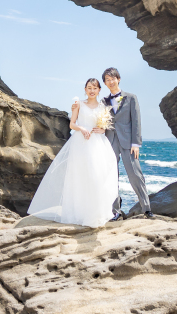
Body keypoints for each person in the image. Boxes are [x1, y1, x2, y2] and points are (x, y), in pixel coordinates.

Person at [27, 78, 119, 228]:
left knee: (97, 176)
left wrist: (102, 129)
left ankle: (95, 213)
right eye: (89, 88)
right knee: (80, 177)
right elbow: (72, 124)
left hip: (97, 143)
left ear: (99, 90)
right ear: (85, 89)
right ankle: (79, 213)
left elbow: (103, 125)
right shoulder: (79, 104)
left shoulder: (103, 106)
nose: (91, 90)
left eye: (94, 88)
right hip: (81, 144)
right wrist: (82, 128)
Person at [75, 67, 153, 221]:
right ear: (104, 83)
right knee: (111, 176)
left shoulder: (131, 98)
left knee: (135, 174)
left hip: (128, 142)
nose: (110, 82)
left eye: (113, 79)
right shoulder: (103, 101)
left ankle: (147, 208)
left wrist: (136, 143)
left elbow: (136, 121)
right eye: (107, 80)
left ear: (118, 79)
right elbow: (93, 114)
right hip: (109, 141)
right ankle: (115, 211)